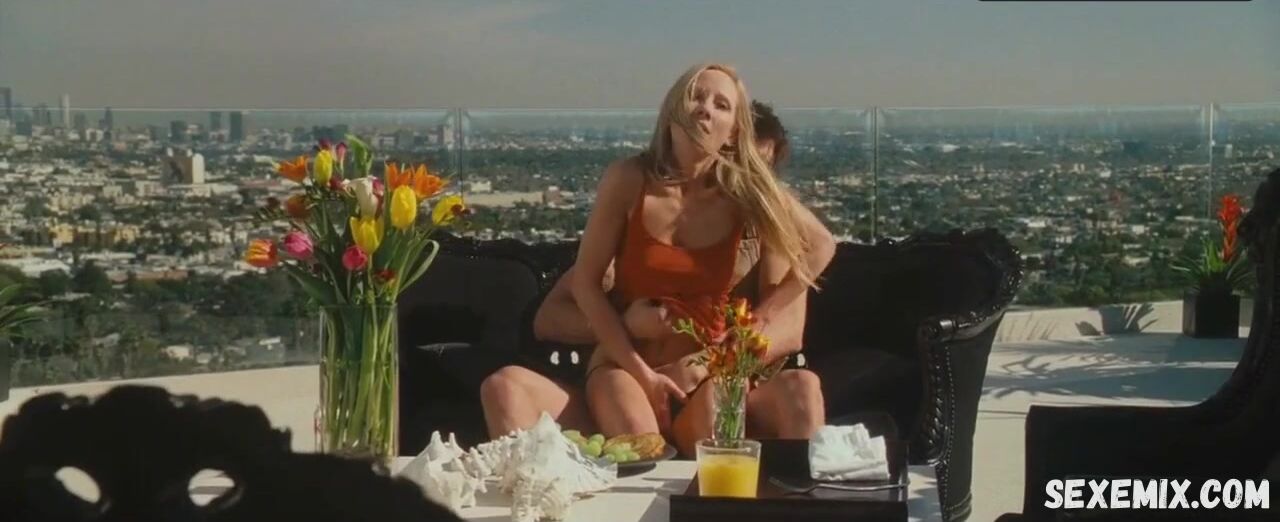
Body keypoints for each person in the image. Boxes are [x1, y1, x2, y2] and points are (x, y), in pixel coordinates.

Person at [480, 64, 835, 457]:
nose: (705, 109)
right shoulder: (628, 179)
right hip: (627, 371)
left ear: (735, 131)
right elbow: (583, 286)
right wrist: (639, 362)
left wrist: (758, 321)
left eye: (721, 105)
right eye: (696, 96)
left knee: (736, 402)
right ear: (672, 107)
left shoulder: (750, 196)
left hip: (707, 381)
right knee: (616, 421)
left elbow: (820, 247)